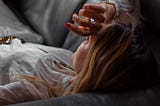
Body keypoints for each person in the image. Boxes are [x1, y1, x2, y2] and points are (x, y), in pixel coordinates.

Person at [0, 0, 157, 105]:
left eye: (90, 41)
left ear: (96, 64)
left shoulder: (41, 89)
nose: (87, 35)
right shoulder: (70, 64)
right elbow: (129, 3)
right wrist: (111, 8)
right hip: (17, 30)